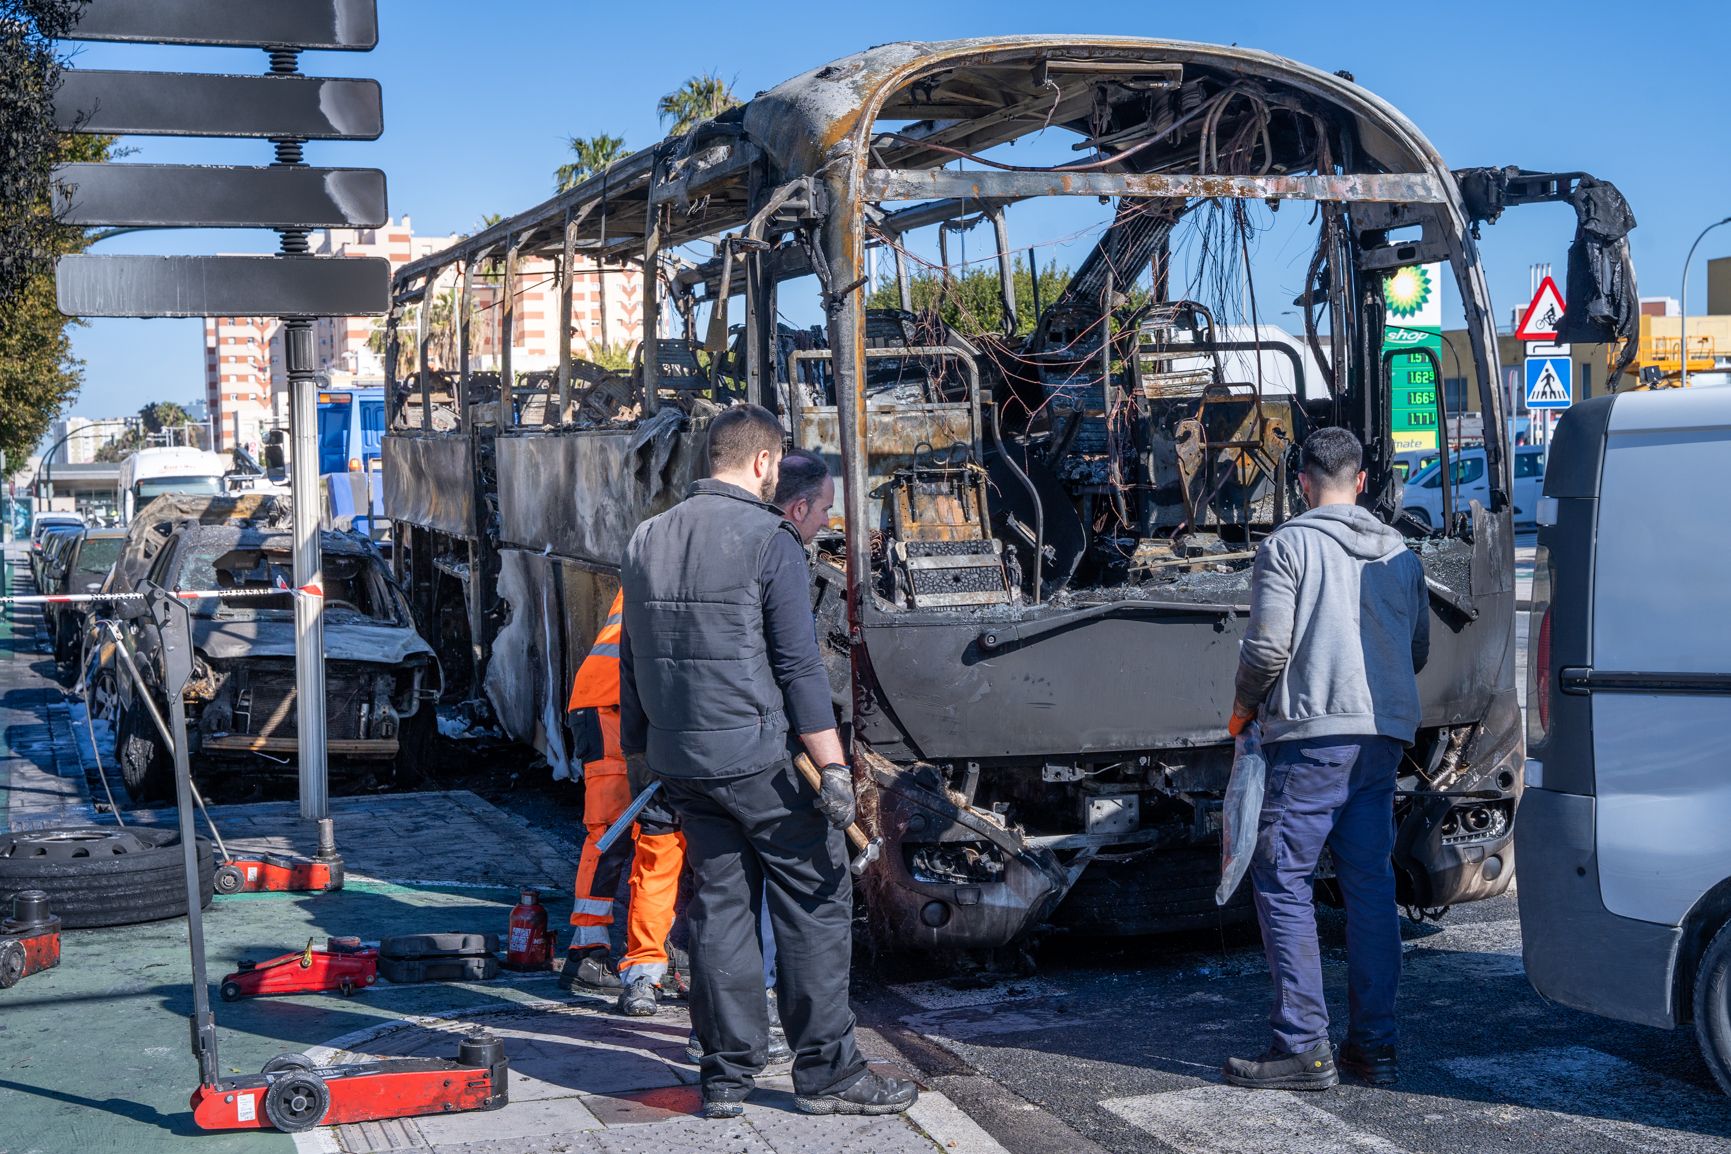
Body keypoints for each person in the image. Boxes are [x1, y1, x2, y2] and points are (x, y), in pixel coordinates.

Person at [619, 404, 917, 1120]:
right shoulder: (769, 538)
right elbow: (798, 667)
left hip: (681, 761)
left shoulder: (647, 536)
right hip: (759, 760)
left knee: (720, 908)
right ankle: (828, 1072)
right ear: (762, 462)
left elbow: (632, 659)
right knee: (815, 902)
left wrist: (640, 757)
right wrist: (834, 768)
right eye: (778, 461)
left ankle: (725, 1075)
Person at [1223, 426, 1429, 1092]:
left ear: (1302, 482)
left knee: (1282, 878)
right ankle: (1374, 1048)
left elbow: (1266, 649)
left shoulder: (1287, 545)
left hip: (1312, 737)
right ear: (1361, 481)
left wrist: (1242, 709)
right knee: (1370, 887)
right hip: (1382, 738)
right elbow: (1416, 648)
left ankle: (1302, 1047)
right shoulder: (1399, 552)